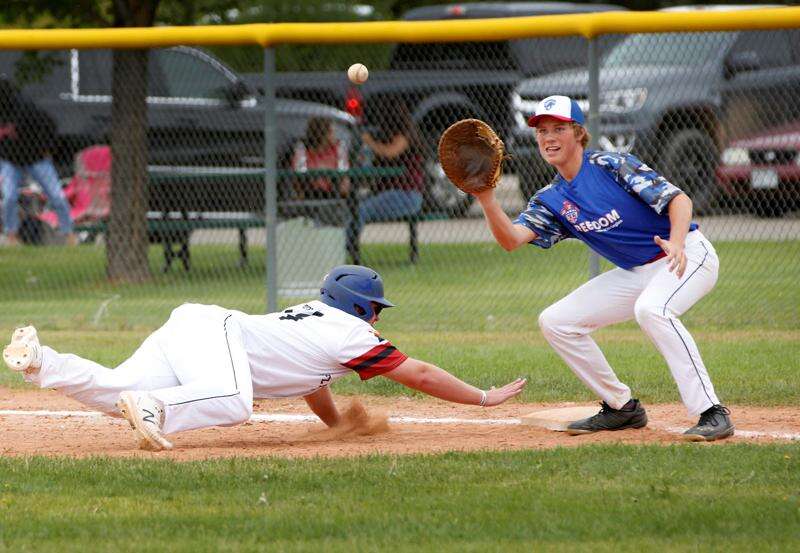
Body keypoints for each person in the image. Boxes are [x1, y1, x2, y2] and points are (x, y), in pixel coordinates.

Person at [3, 265, 526, 451]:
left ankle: (42, 361)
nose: (377, 318)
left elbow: (311, 382)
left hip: (195, 328)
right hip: (214, 333)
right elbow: (421, 373)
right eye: (375, 308)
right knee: (234, 402)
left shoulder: (315, 323)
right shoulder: (349, 333)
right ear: (360, 306)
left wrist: (339, 425)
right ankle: (157, 408)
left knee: (114, 390)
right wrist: (483, 398)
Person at [472, 95, 733, 441]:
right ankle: (621, 407)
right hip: (637, 272)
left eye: (559, 129)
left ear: (578, 134)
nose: (549, 137)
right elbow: (512, 239)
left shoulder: (611, 164)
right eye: (543, 131)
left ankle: (711, 411)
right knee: (556, 321)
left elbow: (678, 199)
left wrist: (677, 241)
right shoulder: (550, 199)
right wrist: (487, 198)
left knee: (652, 310)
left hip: (688, 255)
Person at [0, 79, 75, 246]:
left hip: (36, 159)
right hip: (11, 161)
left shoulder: (25, 109)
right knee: (9, 197)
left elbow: (50, 125)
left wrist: (47, 149)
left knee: (57, 195)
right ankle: (11, 234)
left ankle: (68, 232)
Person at [352, 99, 425, 241]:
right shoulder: (388, 137)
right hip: (392, 193)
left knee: (360, 210)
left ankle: (349, 246)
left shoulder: (404, 136)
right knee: (353, 206)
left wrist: (370, 142)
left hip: (407, 195)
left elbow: (390, 153)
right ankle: (345, 245)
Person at [291, 117, 351, 199]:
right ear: (323, 133)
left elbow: (344, 172)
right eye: (331, 132)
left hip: (333, 191)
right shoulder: (302, 147)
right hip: (309, 191)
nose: (334, 135)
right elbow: (298, 173)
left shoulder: (338, 147)